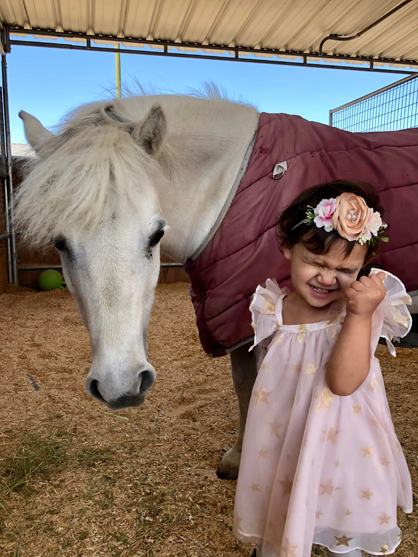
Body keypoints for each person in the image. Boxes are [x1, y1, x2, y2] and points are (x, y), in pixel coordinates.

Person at [233, 180, 412, 557]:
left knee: (339, 516)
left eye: (345, 268)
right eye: (314, 262)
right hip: (288, 437)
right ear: (287, 248)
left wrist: (361, 315)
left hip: (344, 444)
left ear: (365, 264)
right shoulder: (272, 308)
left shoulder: (356, 313)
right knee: (286, 506)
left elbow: (343, 383)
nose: (328, 278)